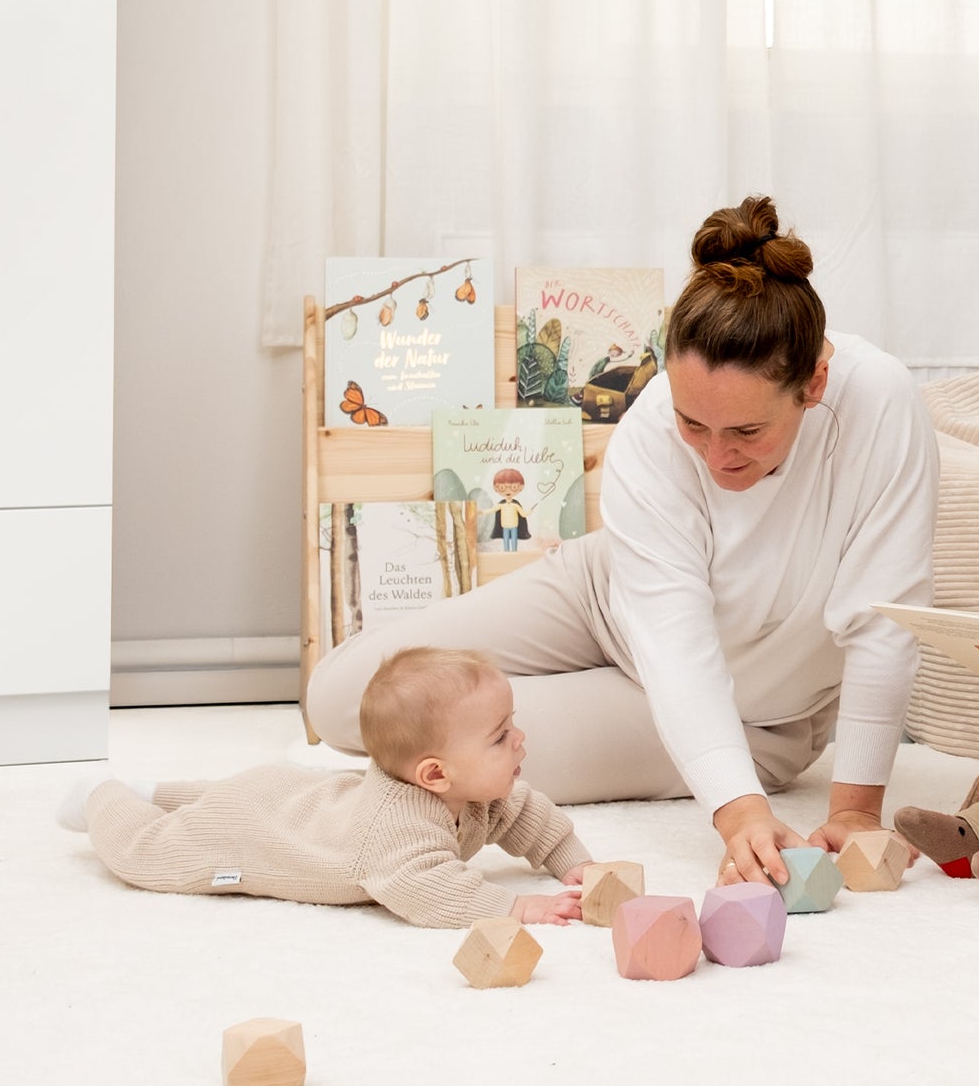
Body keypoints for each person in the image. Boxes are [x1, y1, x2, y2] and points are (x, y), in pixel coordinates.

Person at [305, 196, 939, 892]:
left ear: (813, 384)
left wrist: (845, 810)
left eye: (747, 433)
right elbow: (670, 634)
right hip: (602, 599)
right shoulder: (648, 428)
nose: (715, 456)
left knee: (453, 754)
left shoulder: (879, 405)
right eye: (693, 424)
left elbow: (884, 624)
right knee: (340, 698)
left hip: (751, 719)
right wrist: (738, 814)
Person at [58, 646, 591, 927]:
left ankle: (151, 790)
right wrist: (515, 908)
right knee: (149, 852)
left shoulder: (481, 795)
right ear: (434, 775)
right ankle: (101, 793)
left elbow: (529, 817)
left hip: (290, 794)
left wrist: (574, 864)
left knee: (237, 792)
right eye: (500, 737)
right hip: (254, 829)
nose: (520, 739)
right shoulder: (397, 834)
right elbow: (428, 891)